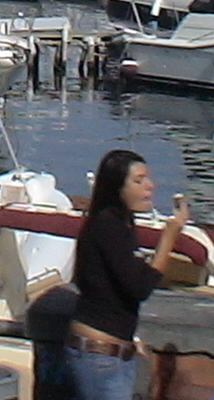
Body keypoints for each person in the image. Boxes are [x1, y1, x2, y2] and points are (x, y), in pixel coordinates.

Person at [58, 148, 190, 400]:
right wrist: (169, 237)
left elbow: (117, 285)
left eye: (148, 178)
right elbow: (141, 287)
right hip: (99, 357)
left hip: (110, 353)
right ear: (116, 188)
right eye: (139, 181)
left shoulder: (118, 223)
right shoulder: (108, 226)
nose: (150, 186)